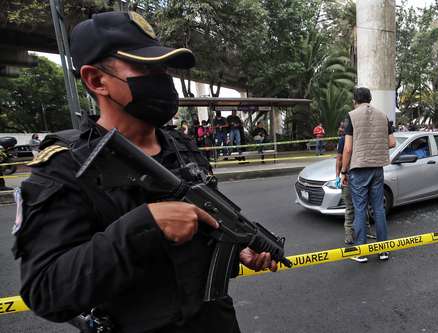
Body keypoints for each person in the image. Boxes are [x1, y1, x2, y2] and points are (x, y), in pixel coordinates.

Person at [12, 11, 276, 333]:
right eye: (145, 67)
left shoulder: (182, 147)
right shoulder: (66, 167)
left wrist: (236, 248)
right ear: (96, 80)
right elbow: (47, 291)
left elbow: (202, 234)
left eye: (162, 67)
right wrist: (143, 226)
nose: (161, 78)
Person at [341, 87, 396, 263]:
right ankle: (383, 251)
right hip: (377, 168)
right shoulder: (383, 116)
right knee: (378, 209)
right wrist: (375, 148)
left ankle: (361, 252)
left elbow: (348, 148)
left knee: (360, 209)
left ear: (354, 100)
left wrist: (343, 171)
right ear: (370, 99)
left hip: (358, 169)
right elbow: (392, 142)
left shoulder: (352, 115)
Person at [335, 125, 373, 245]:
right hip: (348, 178)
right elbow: (339, 159)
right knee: (351, 207)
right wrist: (338, 176)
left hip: (360, 177)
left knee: (364, 206)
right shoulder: (343, 140)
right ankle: (349, 234)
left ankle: (365, 230)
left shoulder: (361, 139)